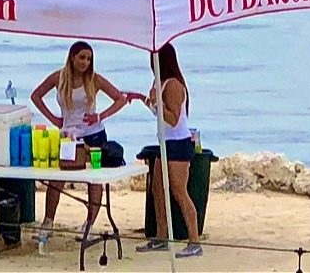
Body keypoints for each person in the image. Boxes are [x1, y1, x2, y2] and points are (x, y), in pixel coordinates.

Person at [30, 42, 130, 243]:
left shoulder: (94, 80)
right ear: (73, 57)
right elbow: (36, 96)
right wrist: (54, 120)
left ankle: (89, 224)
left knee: (93, 180)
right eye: (82, 57)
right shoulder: (59, 78)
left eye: (89, 58)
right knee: (57, 179)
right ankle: (48, 221)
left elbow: (120, 99)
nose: (85, 62)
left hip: (93, 135)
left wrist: (100, 116)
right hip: (69, 137)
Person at [138, 43, 202, 258]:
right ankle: (161, 235)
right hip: (164, 143)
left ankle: (194, 240)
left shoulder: (173, 85)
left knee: (178, 191)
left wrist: (157, 103)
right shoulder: (159, 83)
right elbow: (160, 114)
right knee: (157, 189)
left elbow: (173, 119)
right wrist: (147, 101)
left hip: (178, 143)